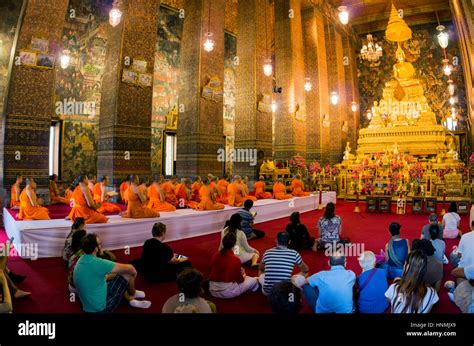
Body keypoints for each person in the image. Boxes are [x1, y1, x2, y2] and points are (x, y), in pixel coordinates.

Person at [73, 234, 151, 313]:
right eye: (100, 244)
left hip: (88, 307)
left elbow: (100, 278)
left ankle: (131, 297)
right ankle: (132, 293)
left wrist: (115, 275)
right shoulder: (99, 263)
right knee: (127, 273)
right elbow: (130, 268)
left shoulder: (81, 260)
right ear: (96, 249)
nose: (101, 245)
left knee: (114, 277)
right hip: (102, 309)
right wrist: (133, 275)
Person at [209, 232, 259, 299]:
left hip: (212, 290)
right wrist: (243, 275)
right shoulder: (235, 259)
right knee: (254, 281)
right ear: (235, 244)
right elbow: (240, 280)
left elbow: (210, 271)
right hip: (227, 292)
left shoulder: (216, 255)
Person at [259, 232, 309, 296]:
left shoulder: (267, 252)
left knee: (261, 272)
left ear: (276, 240)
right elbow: (306, 269)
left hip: (268, 292)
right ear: (289, 242)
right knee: (305, 274)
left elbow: (261, 268)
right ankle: (287, 280)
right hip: (286, 292)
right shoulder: (294, 253)